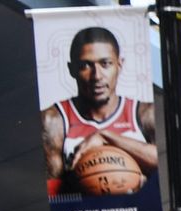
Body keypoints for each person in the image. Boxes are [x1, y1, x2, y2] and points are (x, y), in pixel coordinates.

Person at [39, 25, 157, 196]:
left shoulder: (144, 113)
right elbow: (53, 197)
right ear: (72, 69)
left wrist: (105, 135)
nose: (97, 76)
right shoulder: (54, 120)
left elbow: (160, 163)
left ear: (119, 65)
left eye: (105, 63)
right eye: (86, 65)